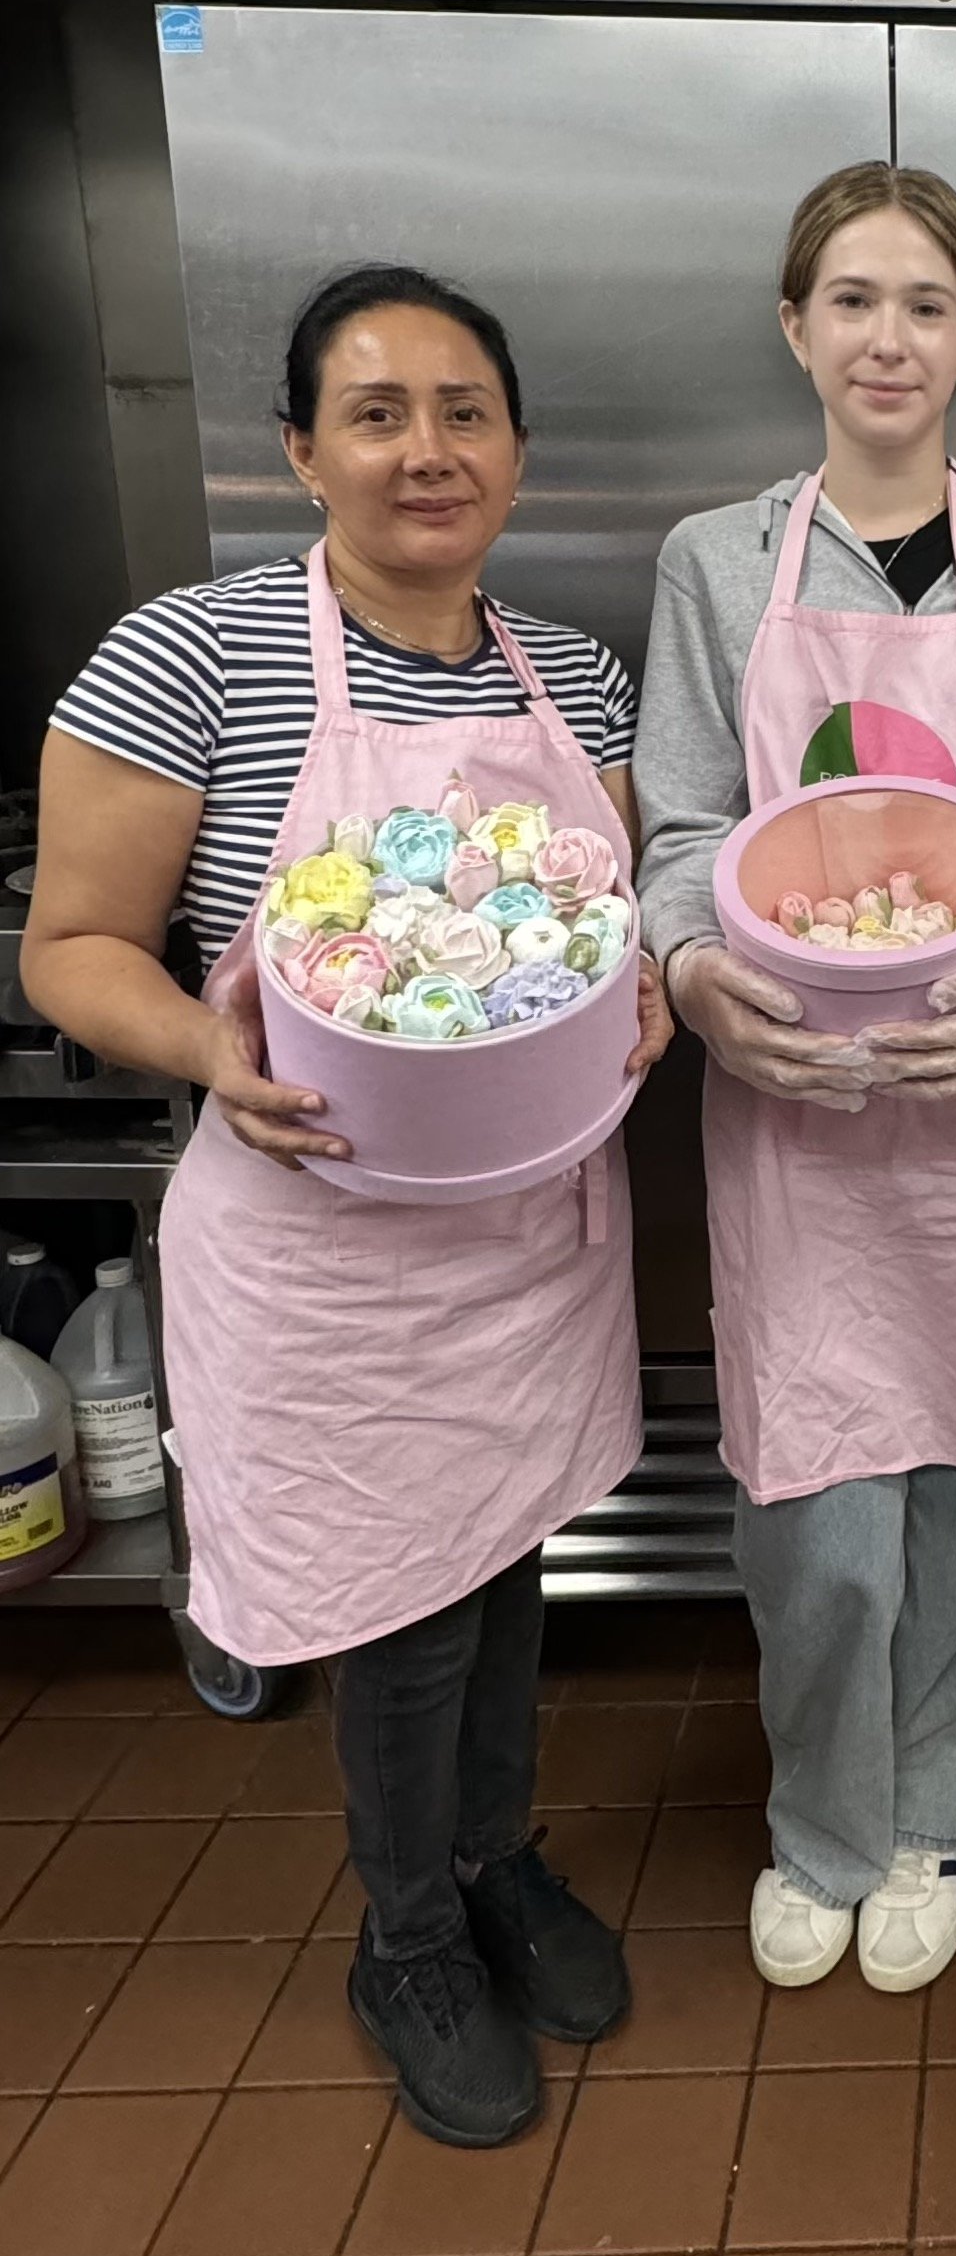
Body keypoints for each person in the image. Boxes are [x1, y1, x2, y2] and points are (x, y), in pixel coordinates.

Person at [27, 264, 672, 2148]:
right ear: (299, 448)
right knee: (399, 1610)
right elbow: (78, 943)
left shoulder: (582, 673)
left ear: (519, 449)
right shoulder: (188, 656)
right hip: (325, 1254)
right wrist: (218, 1058)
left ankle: (492, 1860)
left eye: (465, 409)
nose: (427, 449)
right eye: (378, 412)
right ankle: (402, 1934)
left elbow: (587, 924)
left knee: (510, 1555)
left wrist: (634, 988)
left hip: (531, 1241)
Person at [635, 163, 956, 1996]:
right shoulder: (715, 561)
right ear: (795, 328)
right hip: (797, 1117)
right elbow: (681, 825)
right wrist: (693, 976)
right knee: (818, 1514)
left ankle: (928, 1813)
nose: (888, 337)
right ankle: (819, 1819)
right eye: (852, 299)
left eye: (925, 303)